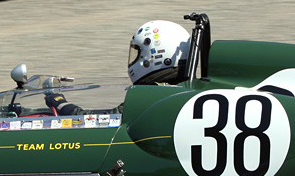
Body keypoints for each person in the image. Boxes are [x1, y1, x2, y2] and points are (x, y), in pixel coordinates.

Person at [45, 20, 192, 116]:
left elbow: (101, 120)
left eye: (138, 52)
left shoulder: (151, 98)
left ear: (157, 54)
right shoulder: (187, 88)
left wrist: (62, 105)